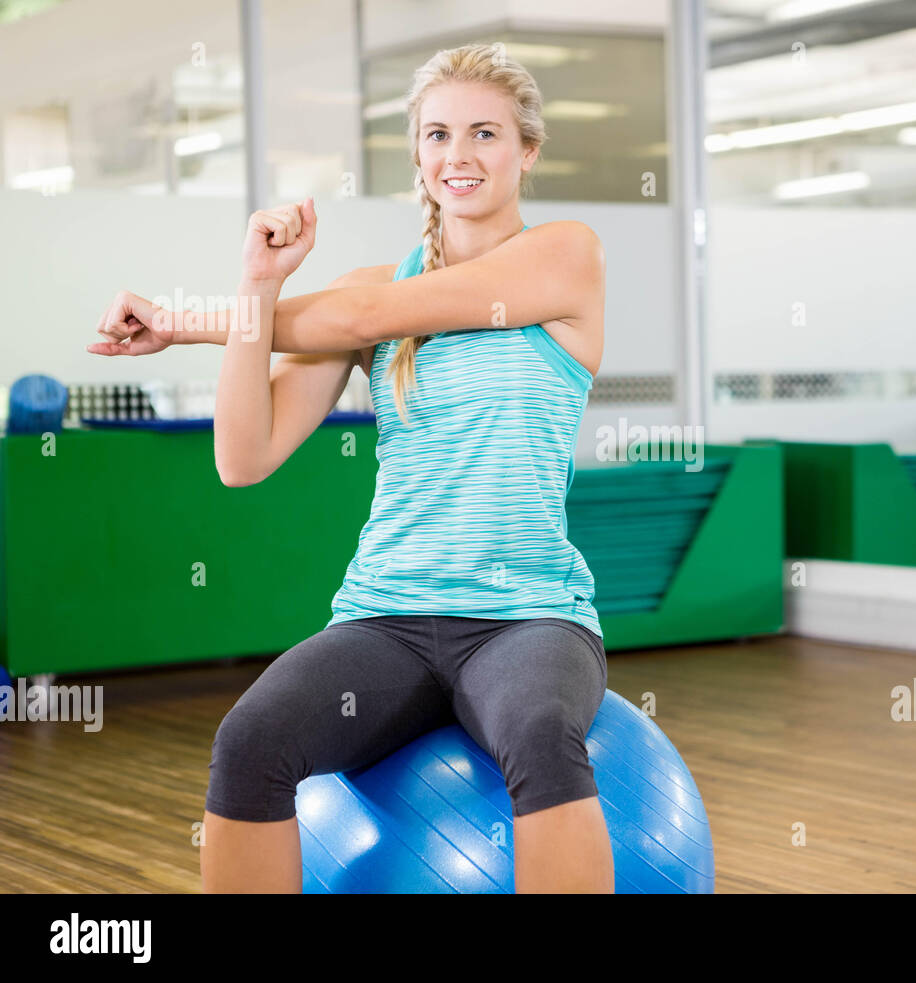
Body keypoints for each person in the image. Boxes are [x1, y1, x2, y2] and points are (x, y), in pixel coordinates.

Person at [90, 43, 613, 893]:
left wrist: (185, 318)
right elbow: (242, 456)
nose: (460, 155)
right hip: (387, 617)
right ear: (417, 152)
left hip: (527, 616)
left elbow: (372, 312)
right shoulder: (363, 292)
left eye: (486, 133)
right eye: (437, 134)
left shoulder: (565, 256)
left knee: (541, 731)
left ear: (529, 151)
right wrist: (257, 284)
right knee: (249, 742)